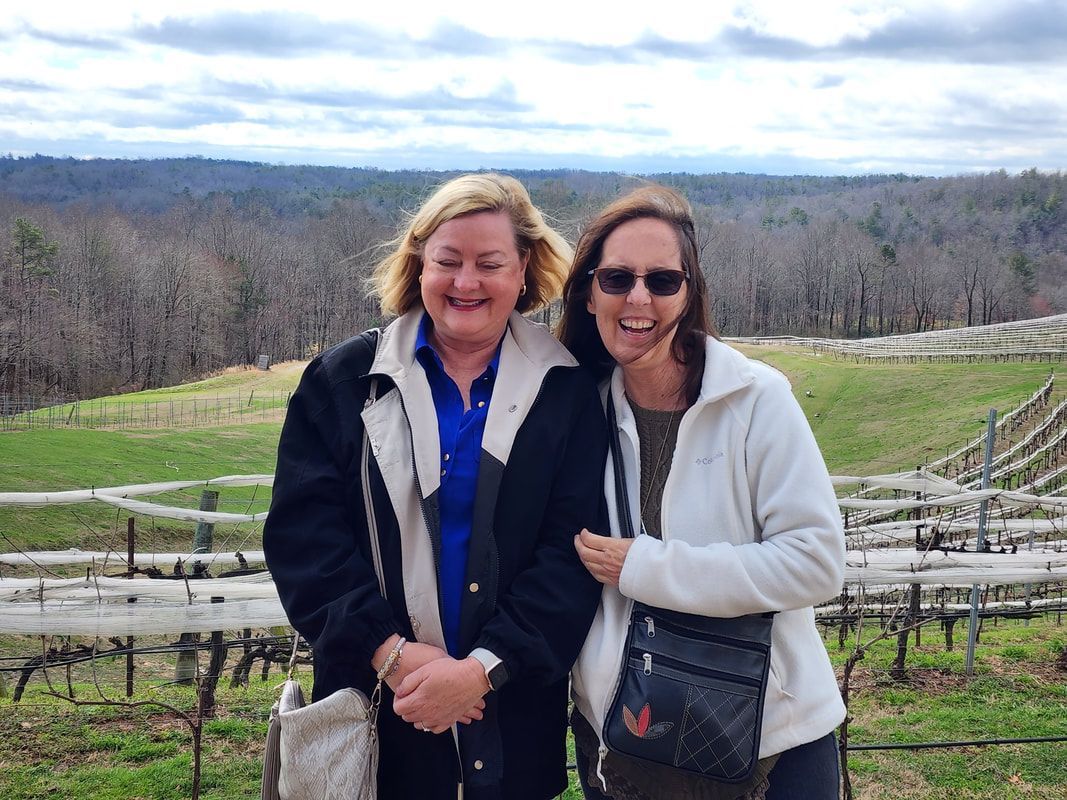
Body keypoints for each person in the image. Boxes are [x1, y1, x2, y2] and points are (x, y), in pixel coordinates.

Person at [264, 173, 606, 800]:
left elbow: (572, 554)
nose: (466, 282)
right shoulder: (344, 383)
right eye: (447, 261)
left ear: (524, 268)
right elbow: (304, 542)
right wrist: (389, 653)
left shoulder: (566, 391)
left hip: (513, 723)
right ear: (419, 262)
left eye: (490, 263)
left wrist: (482, 670)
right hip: (373, 717)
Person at [558, 186, 846, 800]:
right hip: (625, 733)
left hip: (772, 739)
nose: (639, 298)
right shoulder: (573, 409)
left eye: (662, 280)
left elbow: (817, 562)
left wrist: (649, 566)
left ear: (689, 294)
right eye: (616, 278)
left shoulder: (756, 399)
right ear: (589, 291)